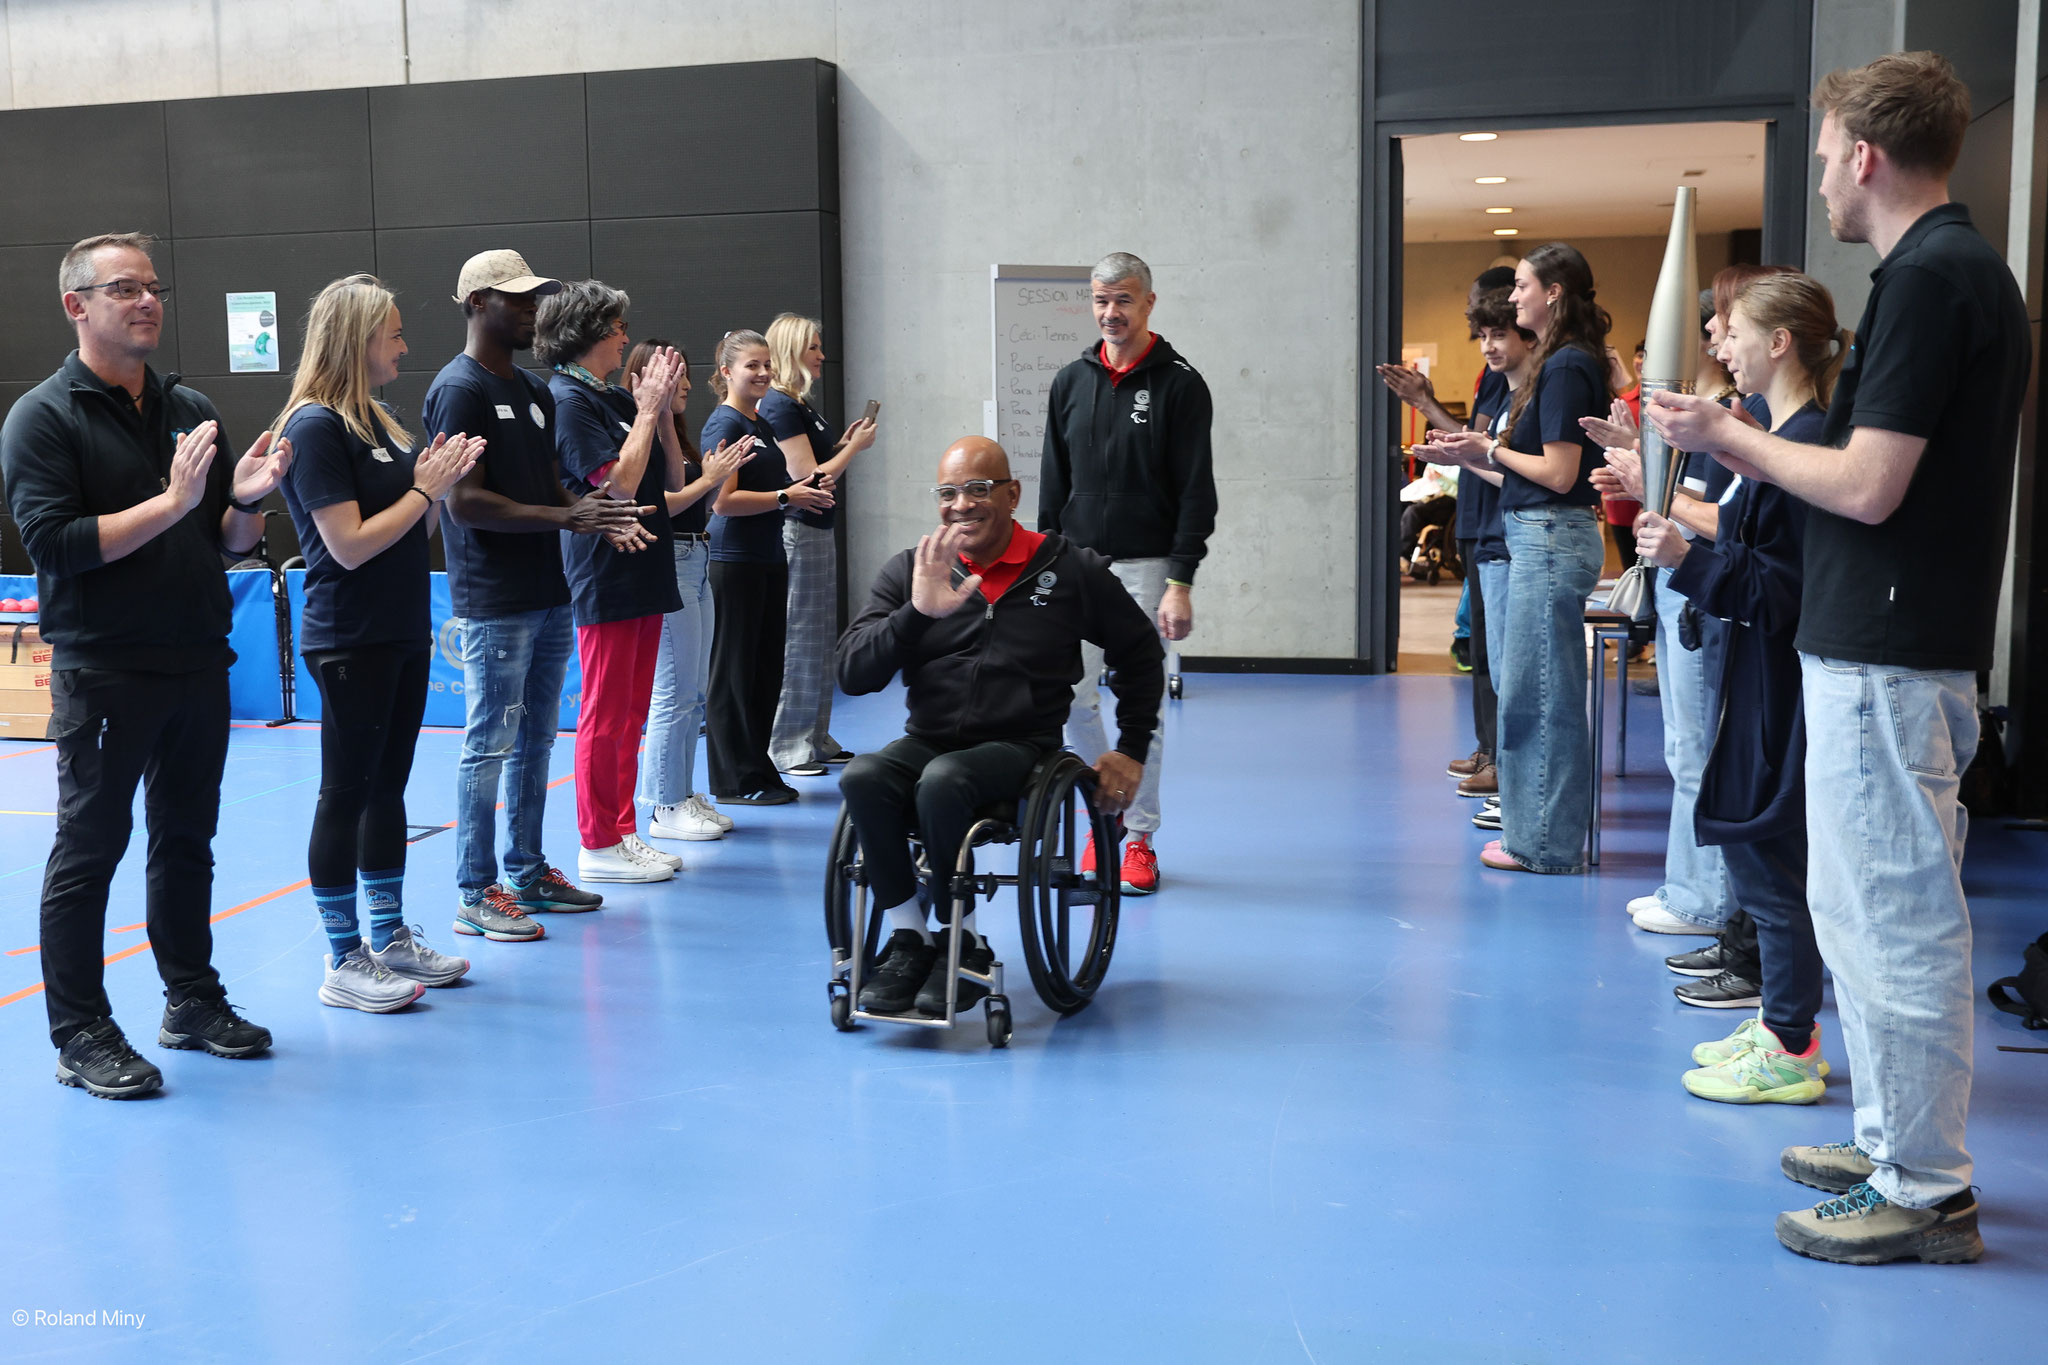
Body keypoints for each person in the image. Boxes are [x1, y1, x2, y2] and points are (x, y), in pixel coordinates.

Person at [1647, 51, 2026, 1265]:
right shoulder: (1940, 273)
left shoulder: (1932, 278)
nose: (1818, 182)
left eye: (1821, 159)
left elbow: (1865, 485)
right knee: (1856, 913)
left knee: (1891, 920)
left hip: (1889, 657)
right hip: (1877, 651)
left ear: (1862, 155)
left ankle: (1921, 1188)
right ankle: (1886, 1145)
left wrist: (1726, 438)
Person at [2, 231, 287, 1096]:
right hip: (107, 670)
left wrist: (249, 501)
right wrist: (170, 501)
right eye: (125, 288)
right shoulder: (42, 417)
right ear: (76, 305)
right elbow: (56, 544)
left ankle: (190, 999)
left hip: (197, 660)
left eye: (153, 286)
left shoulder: (187, 406)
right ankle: (79, 1031)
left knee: (187, 840)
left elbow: (224, 541)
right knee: (90, 848)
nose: (148, 301)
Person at [837, 437, 1164, 1015]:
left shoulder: (1070, 569)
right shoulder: (914, 570)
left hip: (1021, 748)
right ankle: (912, 938)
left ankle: (960, 941)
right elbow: (852, 673)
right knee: (863, 776)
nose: (961, 504)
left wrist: (1130, 748)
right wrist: (917, 613)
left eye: (978, 489)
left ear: (1012, 495)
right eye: (948, 492)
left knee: (943, 780)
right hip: (929, 739)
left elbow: (1141, 653)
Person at [1632, 272, 1846, 1109]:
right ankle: (1782, 1023)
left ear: (1780, 343)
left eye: (1737, 332)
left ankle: (1791, 1040)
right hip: (1759, 672)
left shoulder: (1808, 441)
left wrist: (1685, 559)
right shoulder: (1781, 437)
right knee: (1760, 860)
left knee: (1770, 863)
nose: (1723, 347)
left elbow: (1782, 589)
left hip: (1779, 681)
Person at [429, 250, 652, 939]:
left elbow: (552, 486)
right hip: (495, 597)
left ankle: (526, 871)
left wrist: (594, 513)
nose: (533, 310)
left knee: (535, 740)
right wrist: (566, 515)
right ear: (477, 303)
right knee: (489, 744)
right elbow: (464, 501)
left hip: (549, 589)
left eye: (535, 298)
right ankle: (475, 891)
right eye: (518, 299)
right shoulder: (458, 388)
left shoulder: (531, 389)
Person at [277, 275, 483, 1012]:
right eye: (393, 333)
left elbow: (409, 532)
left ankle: (390, 935)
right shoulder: (313, 427)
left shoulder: (380, 421)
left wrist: (437, 487)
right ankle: (343, 956)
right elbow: (350, 544)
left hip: (399, 629)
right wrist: (424, 491)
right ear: (356, 339)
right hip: (348, 636)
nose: (402, 345)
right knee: (346, 792)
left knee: (388, 788)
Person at [1420, 243, 1610, 873]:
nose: (1514, 297)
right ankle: (1535, 833)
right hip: (1540, 533)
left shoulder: (1566, 366)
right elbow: (1532, 478)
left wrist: (1487, 449)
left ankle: (1545, 844)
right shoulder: (1561, 362)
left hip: (1549, 540)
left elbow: (1558, 474)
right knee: (1531, 694)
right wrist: (1469, 455)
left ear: (1553, 293)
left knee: (1543, 697)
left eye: (1522, 286)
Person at [1040, 251, 1216, 895]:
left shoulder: (1181, 384)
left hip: (1148, 568)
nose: (1110, 312)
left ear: (1148, 302)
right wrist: (1044, 563)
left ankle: (1139, 835)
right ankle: (1105, 808)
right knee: (1069, 696)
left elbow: (1196, 491)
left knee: (1142, 707)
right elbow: (1053, 483)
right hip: (1077, 566)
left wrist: (1181, 580)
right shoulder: (1070, 381)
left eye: (1123, 300)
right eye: (1100, 300)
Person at [534, 281, 686, 884]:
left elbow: (669, 479)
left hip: (644, 563)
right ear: (588, 332)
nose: (625, 337)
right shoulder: (569, 400)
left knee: (632, 708)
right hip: (605, 568)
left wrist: (661, 412)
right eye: (617, 327)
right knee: (605, 709)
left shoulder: (614, 398)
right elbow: (615, 484)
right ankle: (597, 841)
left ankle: (623, 830)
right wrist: (646, 412)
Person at [1376, 283, 1531, 800]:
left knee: (1506, 662)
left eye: (1496, 331)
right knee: (1485, 653)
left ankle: (1507, 765)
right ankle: (1491, 751)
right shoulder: (1496, 380)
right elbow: (1477, 447)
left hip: (1506, 532)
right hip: (1479, 524)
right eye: (1480, 333)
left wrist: (1432, 411)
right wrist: (1429, 410)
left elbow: (1497, 458)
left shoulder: (1537, 383)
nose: (1486, 343)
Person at [703, 328, 835, 804]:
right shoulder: (724, 424)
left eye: (766, 365)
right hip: (735, 561)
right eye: (751, 366)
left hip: (768, 557)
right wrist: (785, 496)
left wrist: (801, 492)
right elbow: (723, 501)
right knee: (734, 674)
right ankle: (732, 780)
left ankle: (758, 770)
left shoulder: (758, 422)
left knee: (764, 672)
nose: (762, 373)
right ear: (726, 372)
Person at [630, 339, 752, 844]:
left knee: (694, 692)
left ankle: (681, 791)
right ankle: (665, 804)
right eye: (674, 374)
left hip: (696, 556)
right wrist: (712, 480)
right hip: (672, 561)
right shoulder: (634, 434)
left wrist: (710, 473)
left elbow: (684, 491)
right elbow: (662, 504)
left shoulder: (671, 431)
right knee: (674, 693)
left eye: (682, 373)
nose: (684, 383)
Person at [762, 313, 877, 779]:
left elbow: (822, 464)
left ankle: (815, 734)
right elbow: (806, 477)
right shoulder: (779, 405)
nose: (821, 355)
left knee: (819, 634)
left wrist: (843, 444)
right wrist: (855, 448)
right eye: (813, 347)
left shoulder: (799, 403)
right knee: (800, 636)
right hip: (799, 528)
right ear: (792, 350)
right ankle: (789, 745)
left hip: (818, 527)